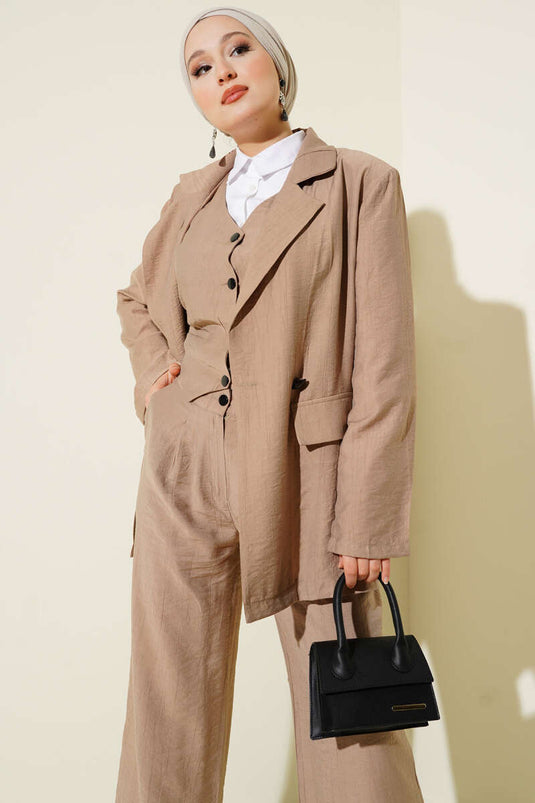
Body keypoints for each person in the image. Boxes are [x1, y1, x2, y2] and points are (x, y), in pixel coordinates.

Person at [115, 6, 423, 802]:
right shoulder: (192, 194)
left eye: (237, 49)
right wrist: (160, 375)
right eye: (198, 67)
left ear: (276, 66)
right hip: (183, 467)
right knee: (166, 702)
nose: (220, 70)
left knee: (343, 701)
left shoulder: (359, 181)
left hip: (306, 468)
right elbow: (137, 301)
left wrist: (369, 513)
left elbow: (383, 360)